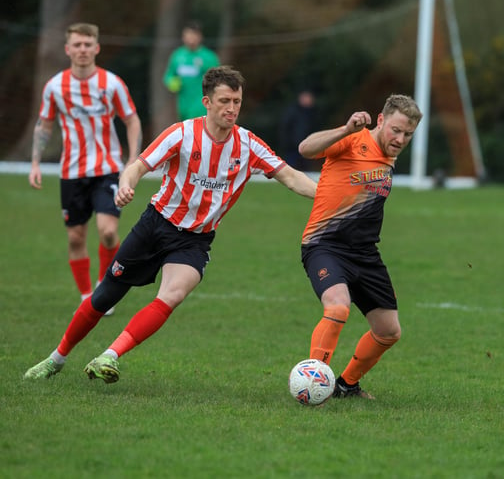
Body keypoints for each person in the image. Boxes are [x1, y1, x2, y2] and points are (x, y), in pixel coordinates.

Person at [23, 66, 317, 383]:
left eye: (237, 101)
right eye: (224, 101)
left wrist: (329, 196)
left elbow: (291, 177)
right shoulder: (181, 134)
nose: (232, 109)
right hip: (156, 225)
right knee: (104, 296)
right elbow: (138, 166)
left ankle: (109, 355)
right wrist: (125, 185)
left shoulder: (248, 145)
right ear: (206, 101)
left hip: (195, 241)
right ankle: (56, 358)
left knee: (172, 295)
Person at [298, 94, 422, 399]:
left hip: (366, 254)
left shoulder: (388, 154)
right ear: (381, 120)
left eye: (408, 134)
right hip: (324, 244)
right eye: (395, 130)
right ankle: (314, 385)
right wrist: (345, 129)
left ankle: (346, 385)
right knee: (338, 306)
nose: (400, 139)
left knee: (389, 331)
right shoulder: (353, 140)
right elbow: (306, 149)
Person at [29, 22, 142, 315]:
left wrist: (133, 159)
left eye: (87, 44)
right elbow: (45, 125)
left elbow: (131, 119)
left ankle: (104, 288)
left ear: (96, 48)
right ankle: (86, 296)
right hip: (72, 172)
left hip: (107, 169)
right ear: (68, 49)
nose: (82, 50)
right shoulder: (55, 87)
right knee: (76, 237)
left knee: (107, 232)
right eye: (76, 45)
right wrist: (36, 163)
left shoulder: (112, 83)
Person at [163, 21, 220, 121]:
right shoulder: (177, 55)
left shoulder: (209, 57)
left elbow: (219, 79)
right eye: (188, 34)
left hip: (202, 105)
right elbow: (169, 75)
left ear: (200, 37)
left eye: (194, 35)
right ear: (183, 37)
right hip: (183, 105)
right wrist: (172, 82)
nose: (191, 38)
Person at [279, 89, 320, 170]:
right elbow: (285, 128)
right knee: (290, 169)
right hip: (293, 147)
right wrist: (288, 143)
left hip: (308, 146)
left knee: (306, 169)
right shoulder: (292, 111)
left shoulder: (314, 113)